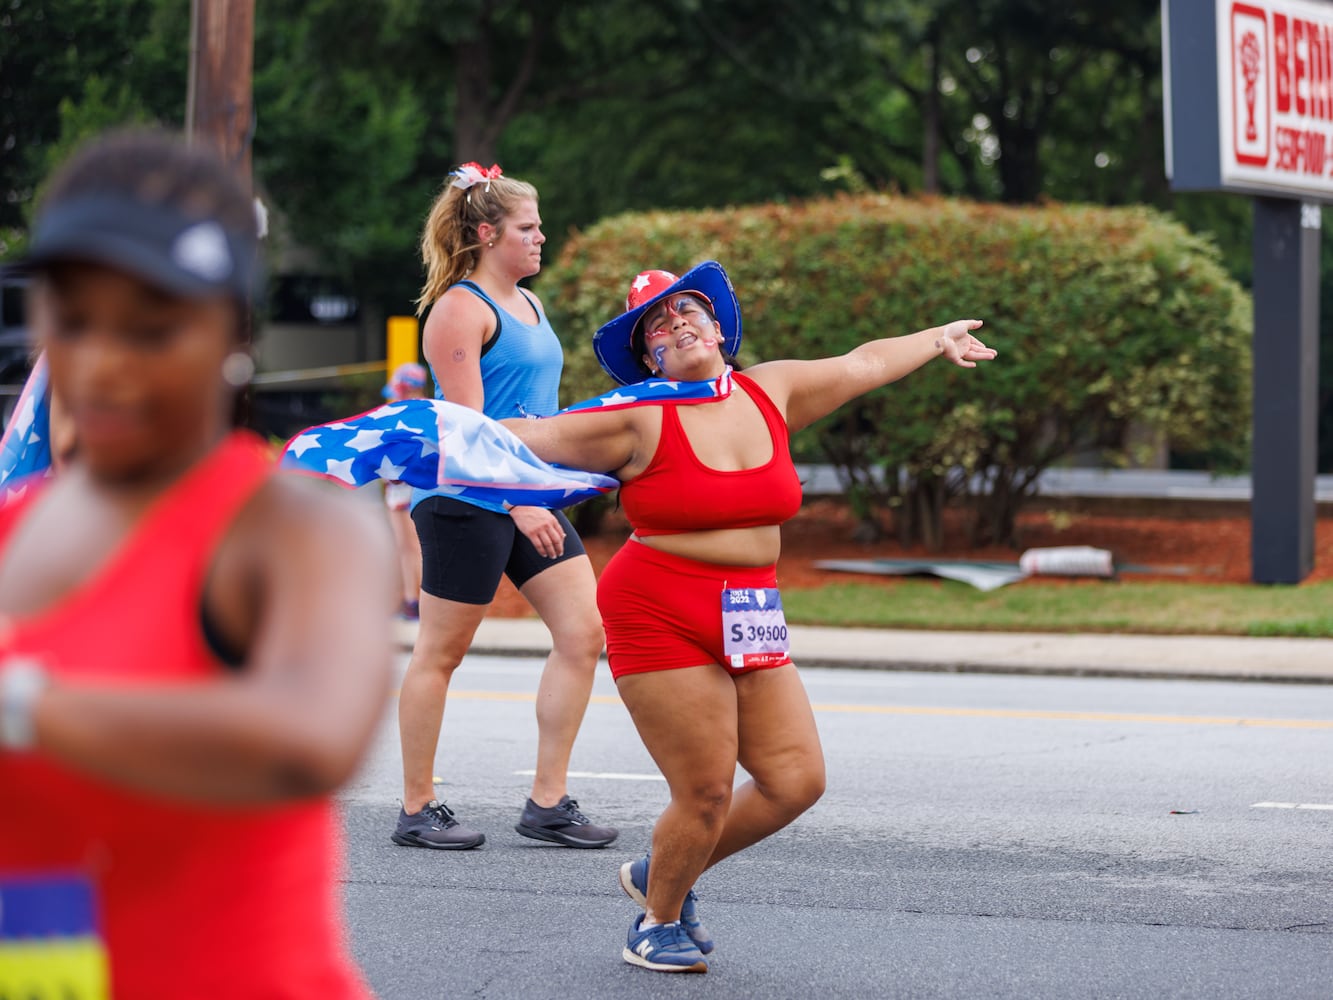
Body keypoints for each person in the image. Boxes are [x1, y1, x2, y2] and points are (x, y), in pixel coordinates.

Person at [504, 260, 995, 973]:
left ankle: (659, 869)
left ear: (717, 327)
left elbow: (862, 363)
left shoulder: (771, 390)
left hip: (749, 605)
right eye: (658, 327)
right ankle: (656, 921)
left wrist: (935, 337)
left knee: (795, 780)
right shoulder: (637, 417)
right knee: (702, 791)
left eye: (687, 311)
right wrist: (435, 430)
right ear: (650, 359)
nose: (677, 325)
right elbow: (529, 439)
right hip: (656, 605)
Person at [0, 129, 396, 998]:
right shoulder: (13, 528)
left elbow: (309, 740)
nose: (104, 364)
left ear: (232, 331)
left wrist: (22, 700)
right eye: (73, 321)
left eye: (151, 330)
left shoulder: (293, 528)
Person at [393, 162, 616, 851]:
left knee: (584, 635)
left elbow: (536, 415)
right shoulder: (461, 309)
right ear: (488, 233)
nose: (541, 236)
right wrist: (521, 502)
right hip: (466, 502)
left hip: (528, 493)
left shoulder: (530, 304)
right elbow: (467, 431)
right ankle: (416, 807)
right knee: (441, 652)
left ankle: (547, 802)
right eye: (528, 227)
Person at [381, 361, 429, 620]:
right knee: (404, 548)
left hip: (412, 488)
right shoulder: (397, 411)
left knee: (416, 548)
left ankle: (422, 603)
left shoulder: (421, 413)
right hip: (396, 489)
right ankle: (411, 601)